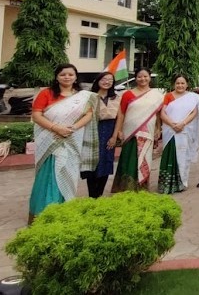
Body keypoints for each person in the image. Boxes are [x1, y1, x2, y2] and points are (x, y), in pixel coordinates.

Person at [29, 64, 98, 223]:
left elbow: (88, 115)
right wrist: (56, 128)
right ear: (57, 77)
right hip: (49, 140)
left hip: (71, 139)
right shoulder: (46, 93)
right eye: (63, 74)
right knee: (49, 175)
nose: (67, 77)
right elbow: (37, 115)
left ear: (75, 77)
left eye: (70, 74)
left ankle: (64, 208)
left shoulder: (83, 96)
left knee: (69, 173)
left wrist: (72, 128)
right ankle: (43, 212)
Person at [110, 68, 164, 193]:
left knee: (144, 158)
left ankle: (142, 187)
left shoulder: (157, 96)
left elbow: (158, 114)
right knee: (129, 158)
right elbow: (121, 114)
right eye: (139, 76)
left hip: (147, 133)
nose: (142, 79)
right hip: (130, 133)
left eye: (145, 76)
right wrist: (118, 131)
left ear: (150, 78)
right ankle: (125, 187)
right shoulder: (127, 94)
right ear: (135, 78)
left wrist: (158, 129)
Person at [158, 75, 199, 193]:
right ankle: (167, 185)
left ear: (187, 84)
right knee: (169, 155)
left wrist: (182, 124)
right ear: (174, 84)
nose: (180, 85)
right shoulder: (168, 96)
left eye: (183, 83)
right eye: (178, 83)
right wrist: (173, 125)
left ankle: (182, 182)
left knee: (184, 156)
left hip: (184, 130)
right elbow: (162, 113)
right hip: (170, 131)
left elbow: (194, 113)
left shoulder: (192, 98)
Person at [82, 72, 119, 198]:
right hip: (92, 131)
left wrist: (114, 137)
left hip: (109, 132)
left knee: (106, 164)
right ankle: (92, 196)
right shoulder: (89, 97)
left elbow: (119, 118)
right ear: (98, 80)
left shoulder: (116, 98)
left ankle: (99, 195)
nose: (107, 82)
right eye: (104, 79)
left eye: (110, 80)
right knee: (92, 165)